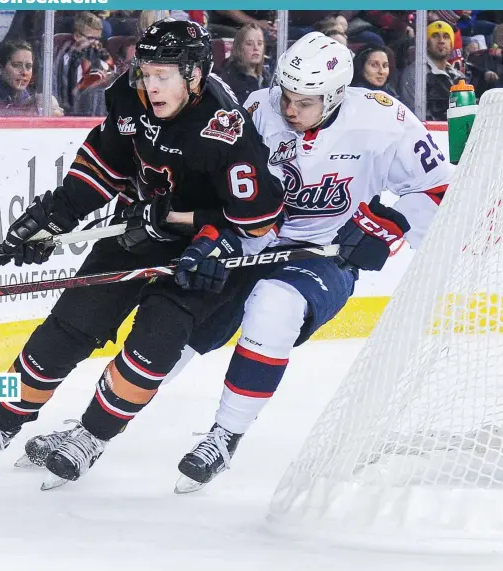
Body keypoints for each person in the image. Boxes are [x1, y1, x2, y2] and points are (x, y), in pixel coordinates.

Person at [0, 19, 285, 489]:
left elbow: (259, 217)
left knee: (155, 343)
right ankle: (1, 425)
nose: (151, 84)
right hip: (136, 229)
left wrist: (198, 233)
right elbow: (105, 166)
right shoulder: (129, 94)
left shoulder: (225, 126)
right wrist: (55, 216)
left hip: (202, 252)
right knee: (69, 325)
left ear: (195, 75)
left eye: (164, 75)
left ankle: (93, 435)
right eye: (146, 71)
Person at [171, 31, 453, 492]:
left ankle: (225, 436)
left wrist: (389, 224)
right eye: (286, 95)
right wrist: (211, 237)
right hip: (254, 243)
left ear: (336, 95)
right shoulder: (260, 110)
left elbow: (439, 190)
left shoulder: (385, 122)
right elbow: (220, 187)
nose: (290, 110)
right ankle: (96, 428)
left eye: (304, 102)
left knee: (273, 304)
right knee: (178, 318)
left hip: (324, 257)